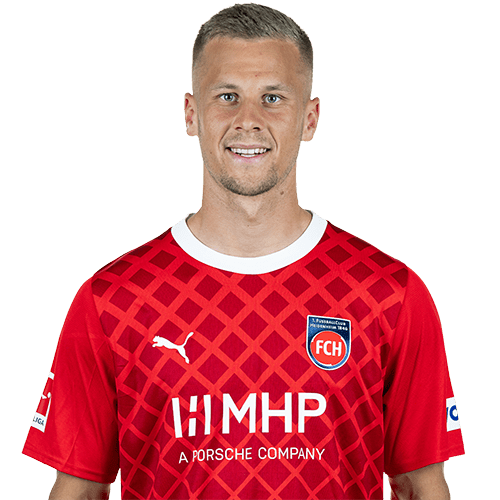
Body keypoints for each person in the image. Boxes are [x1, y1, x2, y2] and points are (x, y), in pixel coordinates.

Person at [22, 4, 465, 499]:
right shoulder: (111, 302)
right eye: (227, 96)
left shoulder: (390, 295)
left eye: (272, 98)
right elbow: (78, 491)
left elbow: (421, 487)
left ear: (310, 118)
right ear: (191, 113)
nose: (248, 121)